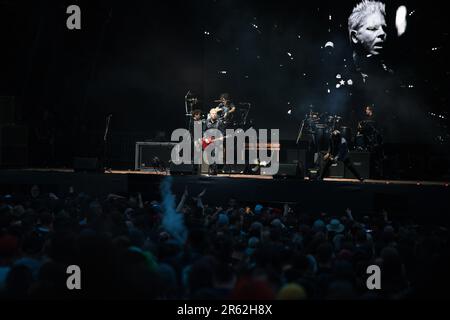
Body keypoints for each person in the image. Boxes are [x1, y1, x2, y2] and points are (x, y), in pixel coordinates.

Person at [348, 0, 390, 83]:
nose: (382, 33)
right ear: (354, 37)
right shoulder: (342, 74)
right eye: (373, 28)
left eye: (384, 28)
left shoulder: (390, 74)